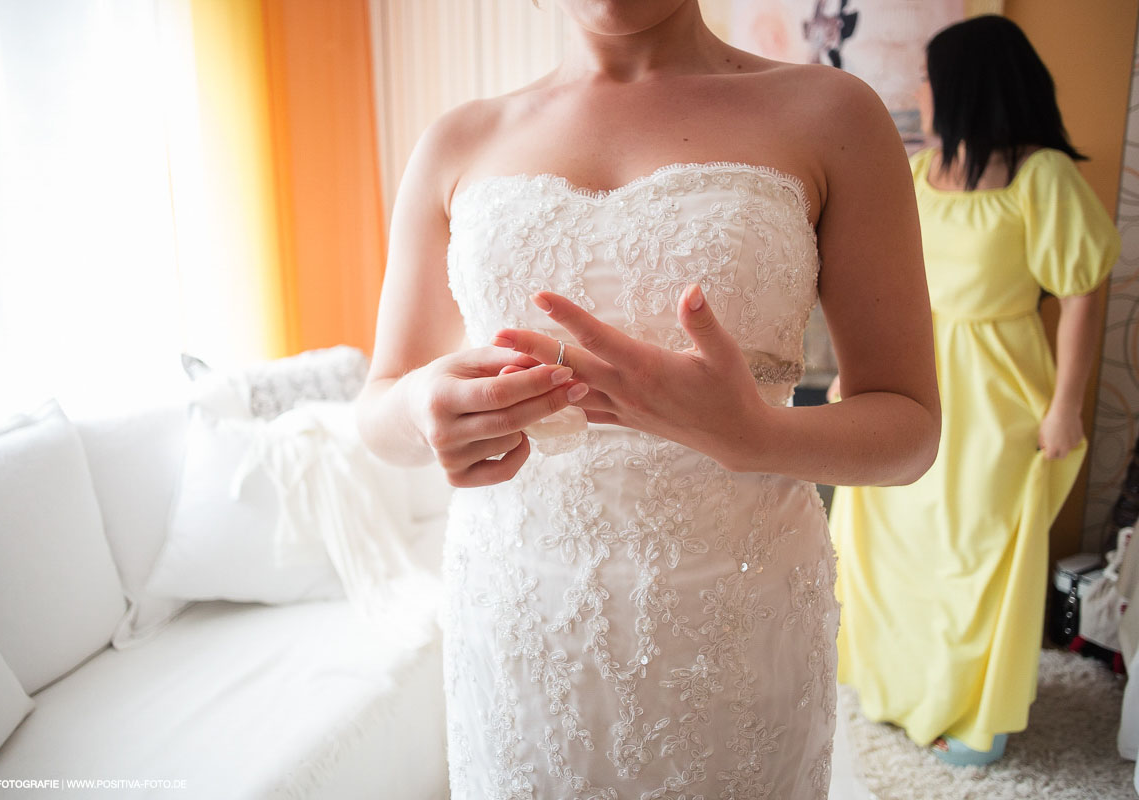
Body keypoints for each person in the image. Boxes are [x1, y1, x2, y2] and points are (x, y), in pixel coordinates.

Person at [355, 1, 940, 796]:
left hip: (734, 623)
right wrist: (423, 405)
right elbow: (379, 410)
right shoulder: (458, 142)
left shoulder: (833, 114)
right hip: (520, 615)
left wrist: (756, 435)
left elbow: (910, 428)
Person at [828, 14, 1121, 767]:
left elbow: (1084, 287)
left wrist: (1065, 406)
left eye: (927, 76)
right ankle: (904, 692)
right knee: (892, 539)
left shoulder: (1042, 177)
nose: (918, 90)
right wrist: (853, 379)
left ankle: (978, 713)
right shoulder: (921, 173)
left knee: (980, 550)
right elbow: (887, 287)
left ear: (964, 84)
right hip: (914, 374)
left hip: (999, 392)